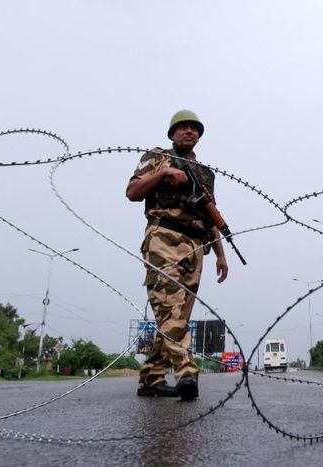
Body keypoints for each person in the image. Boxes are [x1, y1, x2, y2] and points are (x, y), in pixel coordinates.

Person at [127, 109, 229, 400]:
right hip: (164, 239)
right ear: (172, 133)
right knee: (170, 307)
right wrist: (163, 173)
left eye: (194, 128)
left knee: (176, 316)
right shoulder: (157, 157)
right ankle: (187, 372)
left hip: (195, 246)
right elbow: (133, 192)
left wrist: (220, 255)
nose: (189, 132)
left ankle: (151, 379)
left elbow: (211, 215)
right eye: (183, 128)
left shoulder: (204, 173)